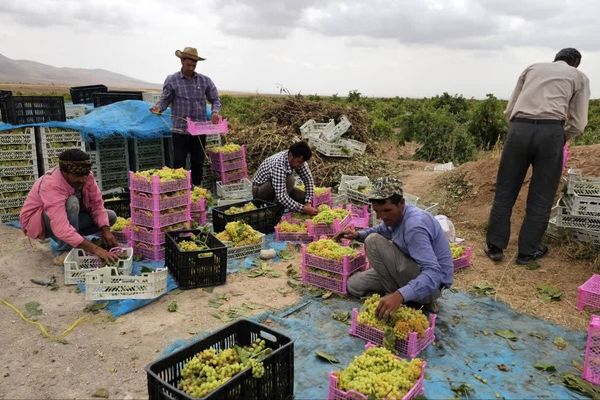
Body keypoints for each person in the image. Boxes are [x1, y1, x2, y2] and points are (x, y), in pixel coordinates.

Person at [485, 48, 590, 265]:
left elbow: (509, 110)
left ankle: (495, 247)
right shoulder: (578, 77)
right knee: (541, 195)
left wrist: (520, 130)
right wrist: (560, 137)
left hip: (519, 128)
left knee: (505, 191)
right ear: (575, 63)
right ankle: (527, 252)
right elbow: (579, 123)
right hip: (551, 131)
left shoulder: (532, 68)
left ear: (556, 59)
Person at [335, 177, 453, 317]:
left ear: (401, 203)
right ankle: (403, 296)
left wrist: (399, 295)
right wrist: (357, 235)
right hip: (406, 272)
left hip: (431, 285)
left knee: (373, 241)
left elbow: (434, 274)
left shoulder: (414, 226)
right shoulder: (395, 217)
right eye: (377, 211)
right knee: (354, 285)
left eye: (387, 210)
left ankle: (410, 298)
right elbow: (380, 230)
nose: (382, 216)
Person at [19, 149, 119, 265]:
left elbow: (97, 204)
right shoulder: (52, 183)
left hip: (66, 219)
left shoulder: (87, 176)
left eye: (85, 175)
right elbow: (61, 227)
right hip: (39, 222)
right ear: (64, 172)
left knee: (110, 217)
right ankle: (66, 250)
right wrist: (95, 249)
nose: (82, 180)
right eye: (77, 176)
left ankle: (75, 240)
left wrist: (105, 230)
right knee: (72, 202)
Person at [150, 46, 221, 186]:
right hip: (180, 130)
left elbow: (215, 100)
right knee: (179, 162)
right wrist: (158, 107)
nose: (191, 67)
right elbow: (165, 99)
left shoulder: (205, 81)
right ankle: (180, 191)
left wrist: (215, 112)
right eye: (188, 64)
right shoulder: (172, 80)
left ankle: (197, 190)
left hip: (199, 131)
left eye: (194, 65)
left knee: (198, 162)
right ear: (182, 61)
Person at [252, 141, 319, 216]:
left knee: (302, 197)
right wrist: (304, 209)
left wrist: (308, 203)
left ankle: (278, 208)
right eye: (299, 162)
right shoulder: (278, 164)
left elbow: (308, 180)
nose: (300, 165)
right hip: (261, 191)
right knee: (290, 180)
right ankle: (273, 213)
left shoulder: (299, 161)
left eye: (302, 162)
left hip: (277, 189)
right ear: (291, 155)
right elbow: (281, 197)